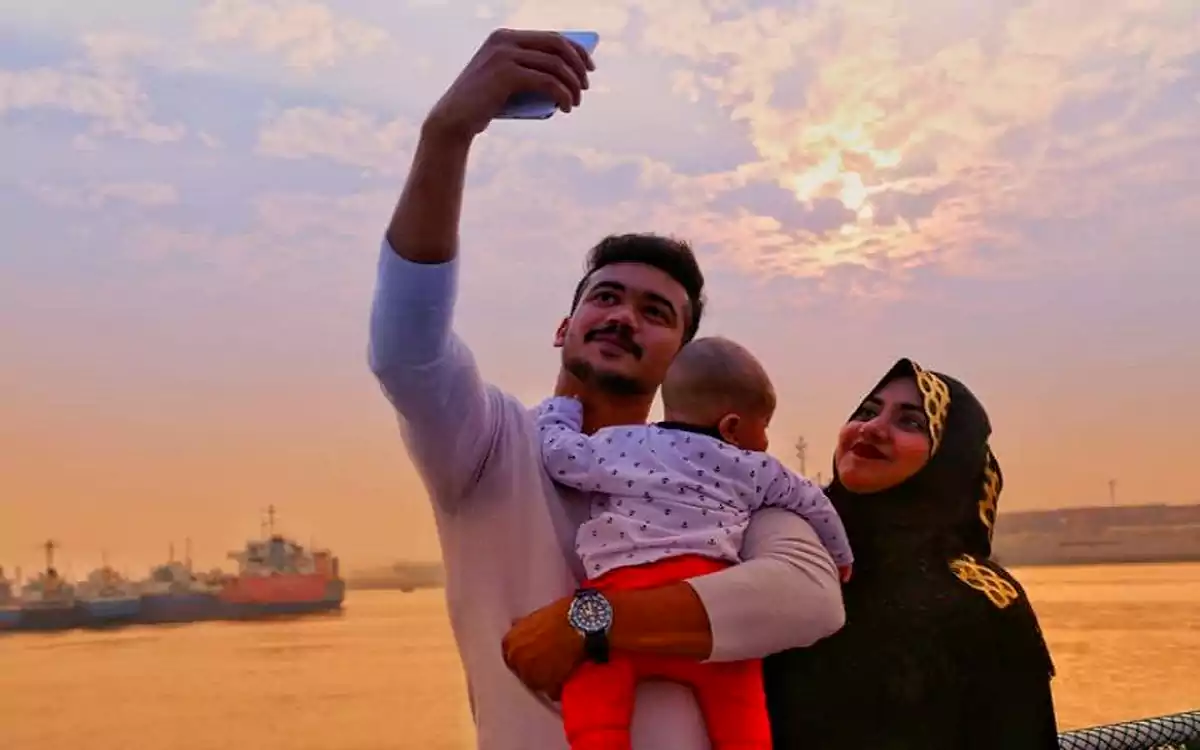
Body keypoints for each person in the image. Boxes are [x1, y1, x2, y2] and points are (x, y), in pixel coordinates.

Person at [368, 29, 845, 750]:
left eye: (656, 313)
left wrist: (586, 620)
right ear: (565, 327)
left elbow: (809, 597)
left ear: (680, 359)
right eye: (606, 298)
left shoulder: (720, 470)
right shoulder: (490, 443)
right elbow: (406, 351)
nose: (623, 317)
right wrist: (447, 134)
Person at [534, 336, 854, 750]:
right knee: (740, 701)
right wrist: (840, 554)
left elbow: (561, 456)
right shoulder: (753, 466)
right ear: (732, 427)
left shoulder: (622, 443)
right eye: (765, 427)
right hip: (705, 608)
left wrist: (560, 411)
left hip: (621, 594)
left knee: (593, 687)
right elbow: (813, 502)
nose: (768, 441)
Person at [762, 358, 1059, 750]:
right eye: (867, 412)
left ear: (949, 459)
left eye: (912, 422)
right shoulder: (783, 547)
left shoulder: (980, 596)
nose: (872, 428)